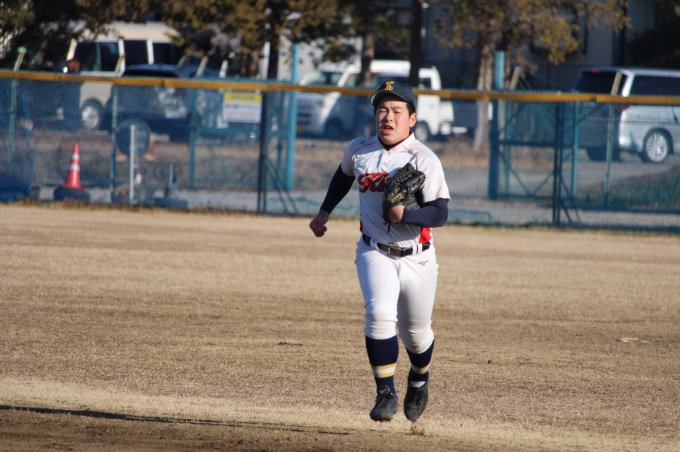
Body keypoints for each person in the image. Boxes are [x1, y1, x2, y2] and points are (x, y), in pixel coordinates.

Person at [309, 80, 450, 422]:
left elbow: (440, 213)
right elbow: (343, 177)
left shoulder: (424, 158)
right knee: (379, 313)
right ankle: (385, 392)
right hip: (374, 250)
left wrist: (406, 215)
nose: (387, 117)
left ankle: (419, 379)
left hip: (418, 256)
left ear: (412, 119)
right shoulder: (359, 150)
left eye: (397, 111)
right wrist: (324, 211)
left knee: (416, 336)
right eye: (382, 110)